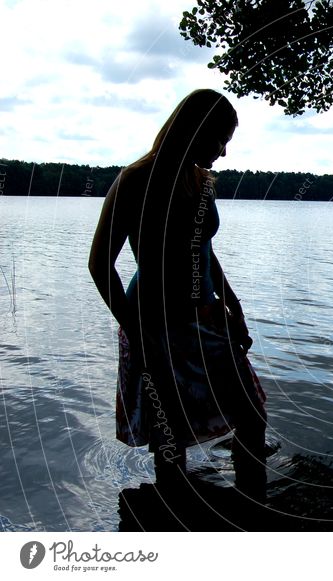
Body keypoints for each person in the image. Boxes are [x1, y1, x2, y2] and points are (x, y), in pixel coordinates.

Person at [88, 89, 267, 496]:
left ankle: (251, 512)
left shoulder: (202, 182)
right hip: (154, 324)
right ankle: (174, 525)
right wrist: (139, 336)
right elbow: (100, 264)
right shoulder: (135, 180)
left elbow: (203, 249)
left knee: (252, 417)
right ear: (195, 129)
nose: (223, 153)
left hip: (206, 318)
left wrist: (233, 306)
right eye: (220, 139)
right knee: (172, 440)